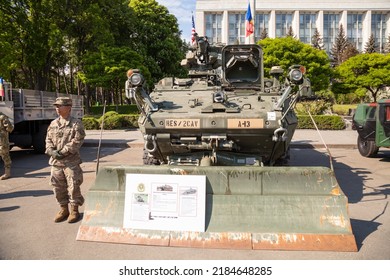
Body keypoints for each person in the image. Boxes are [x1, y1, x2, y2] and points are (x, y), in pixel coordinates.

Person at [45, 97, 86, 223]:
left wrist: (62, 152)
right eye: (56, 106)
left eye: (60, 106)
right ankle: (63, 209)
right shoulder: (53, 124)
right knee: (57, 187)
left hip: (71, 162)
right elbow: (48, 140)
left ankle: (74, 210)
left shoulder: (76, 123)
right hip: (56, 162)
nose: (57, 108)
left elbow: (77, 140)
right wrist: (51, 151)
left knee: (73, 186)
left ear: (68, 108)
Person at [0, 113, 14, 180]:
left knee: (5, 156)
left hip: (2, 142)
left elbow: (10, 128)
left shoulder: (2, 117)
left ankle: (7, 173)